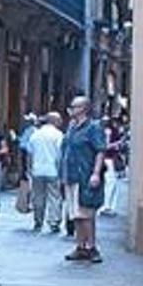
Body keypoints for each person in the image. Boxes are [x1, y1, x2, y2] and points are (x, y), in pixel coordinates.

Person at [60, 96, 106, 263]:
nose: (71, 109)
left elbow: (100, 150)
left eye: (74, 106)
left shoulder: (93, 127)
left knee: (87, 213)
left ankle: (92, 247)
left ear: (84, 109)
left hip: (84, 175)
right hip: (71, 175)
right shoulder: (72, 127)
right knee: (76, 214)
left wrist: (95, 173)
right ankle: (80, 246)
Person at [27, 112, 65, 233]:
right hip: (53, 170)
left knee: (38, 196)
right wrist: (61, 170)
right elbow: (60, 155)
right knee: (54, 197)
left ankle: (38, 221)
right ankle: (54, 221)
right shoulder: (58, 135)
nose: (60, 122)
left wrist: (30, 169)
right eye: (59, 120)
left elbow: (30, 153)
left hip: (37, 170)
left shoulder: (35, 135)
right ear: (54, 121)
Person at [101, 116, 126, 217]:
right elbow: (106, 146)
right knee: (111, 183)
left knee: (111, 184)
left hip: (108, 159)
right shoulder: (108, 131)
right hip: (109, 159)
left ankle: (108, 206)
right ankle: (107, 206)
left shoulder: (105, 131)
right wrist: (118, 143)